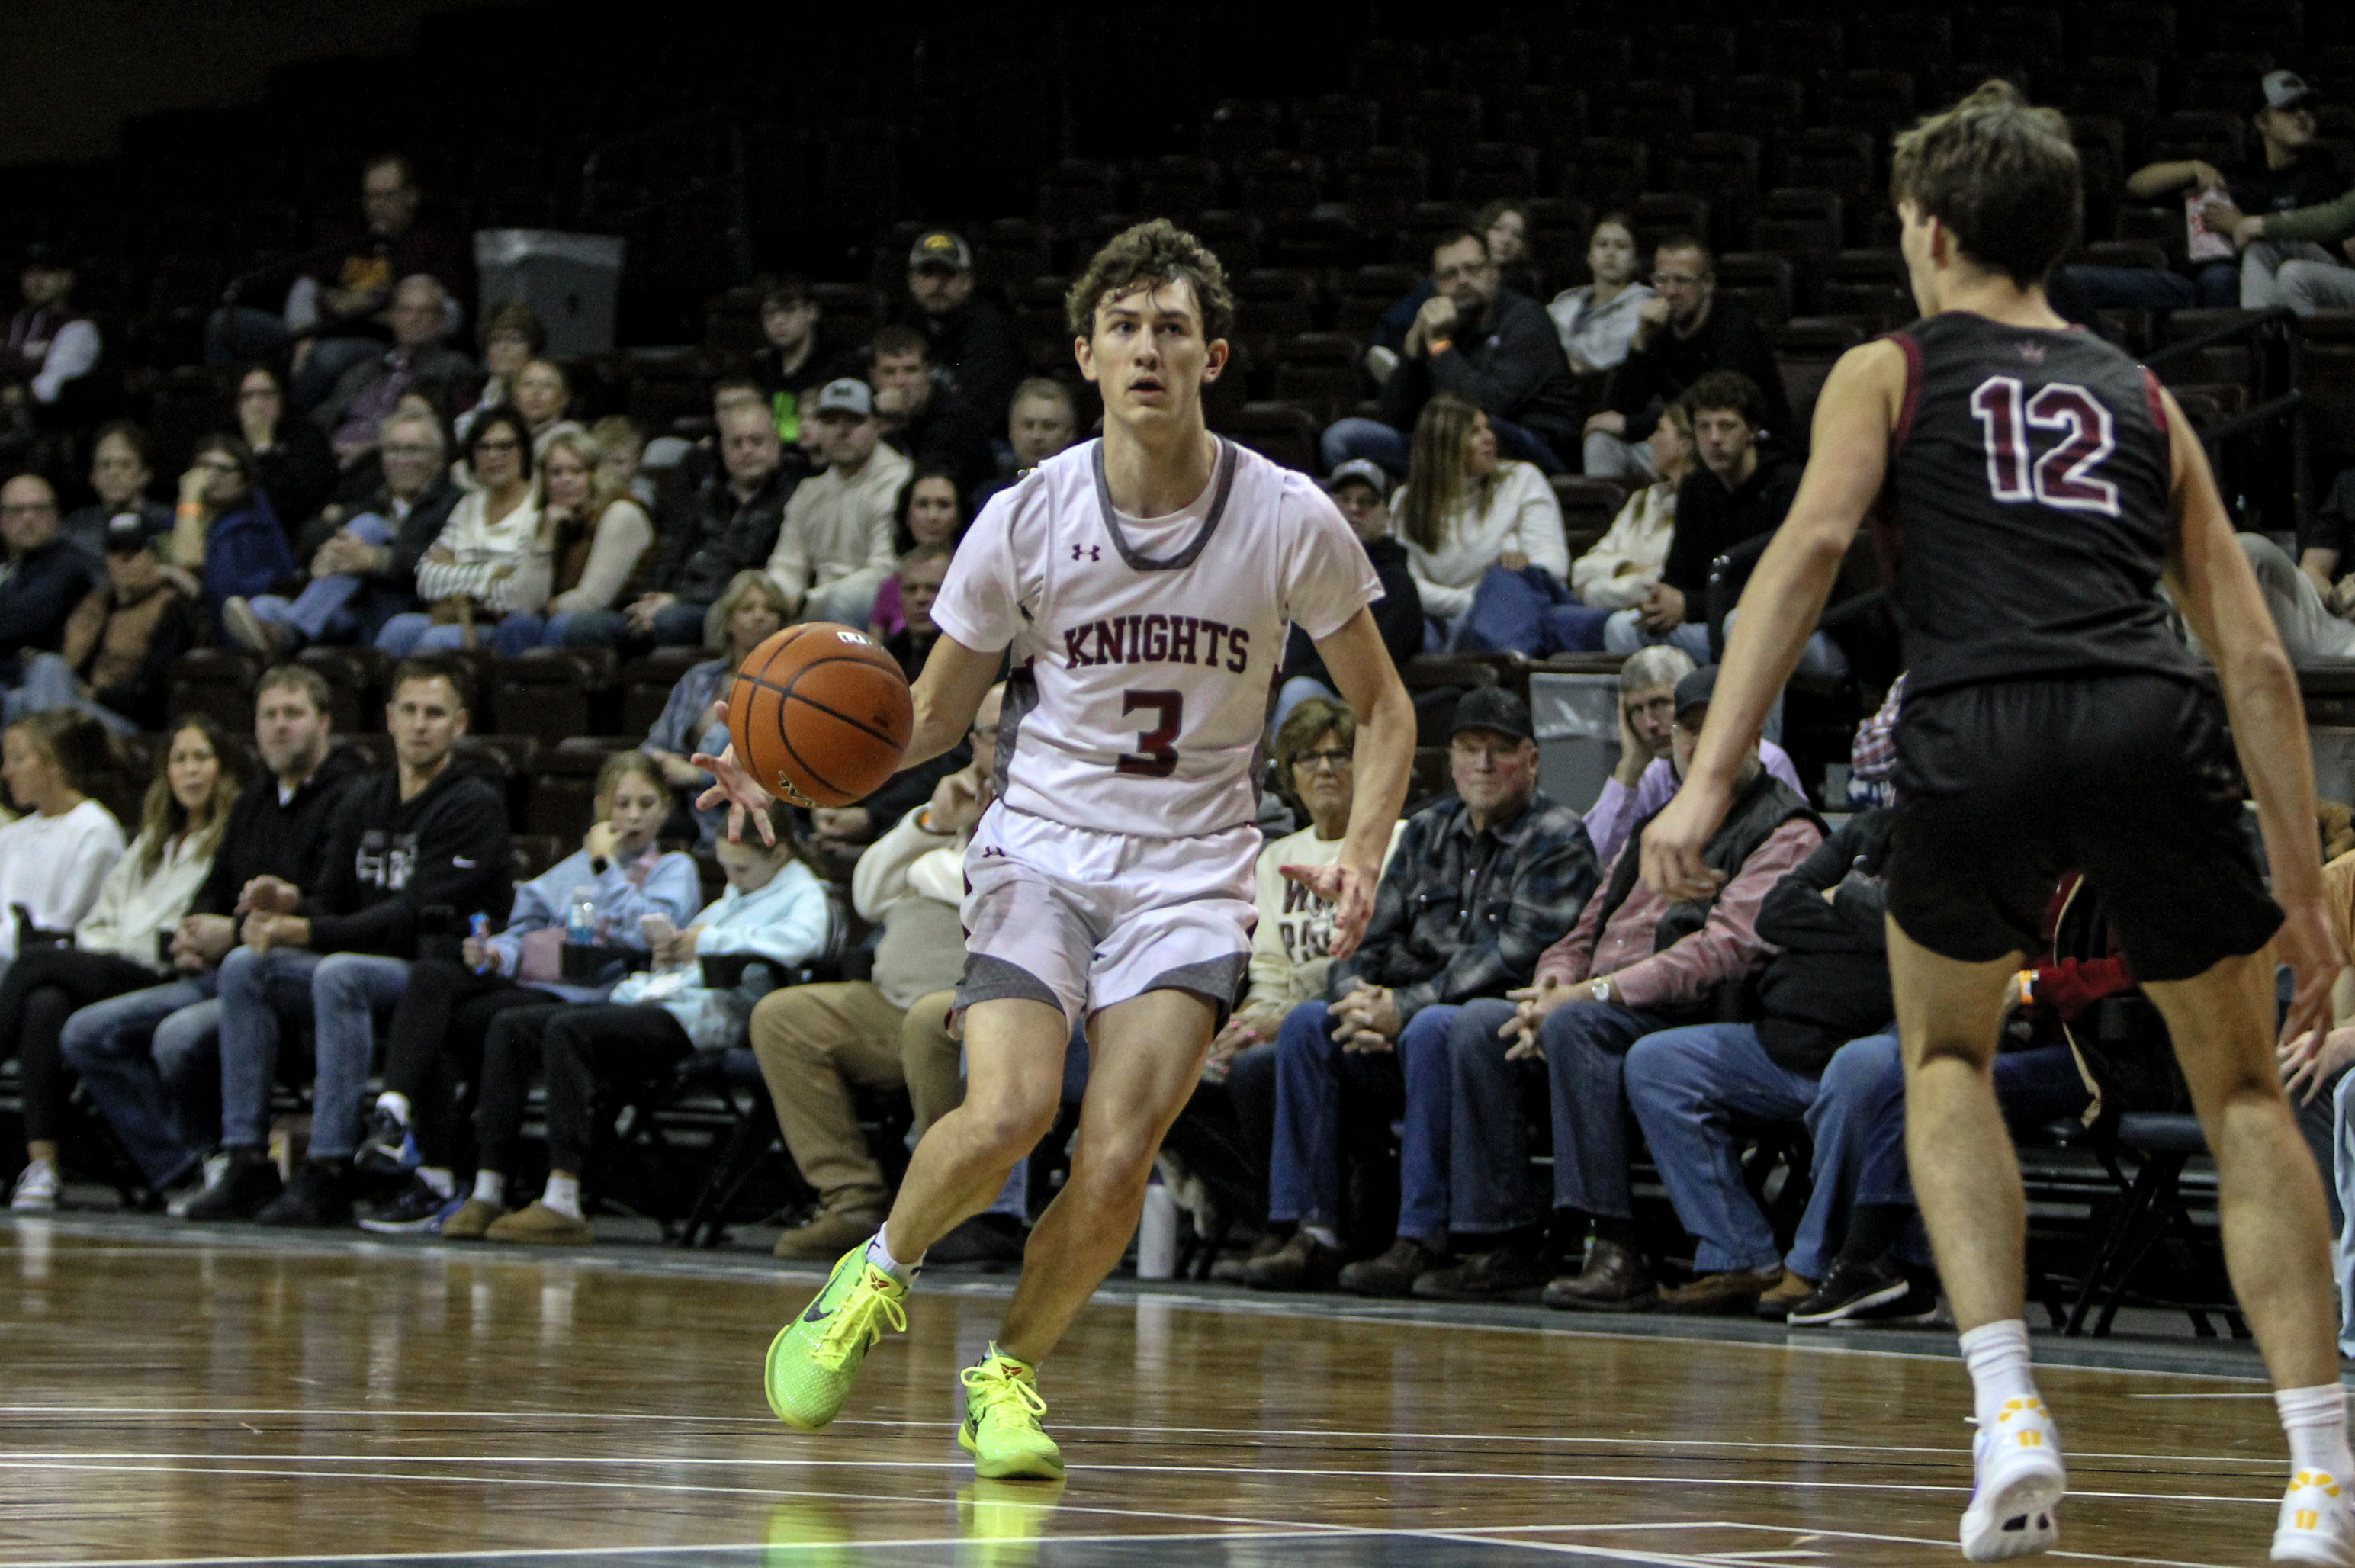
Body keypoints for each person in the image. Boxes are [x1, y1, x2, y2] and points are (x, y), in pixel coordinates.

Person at [1639, 82, 2355, 1562]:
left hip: (1973, 718)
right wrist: (2300, 879)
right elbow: (2255, 651)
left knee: (1946, 1054)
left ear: (1931, 229)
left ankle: (2006, 1413)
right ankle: (2317, 1481)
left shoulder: (1887, 371)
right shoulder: (2138, 391)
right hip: (2144, 716)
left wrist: (1709, 777)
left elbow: (1808, 548)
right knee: (2241, 1099)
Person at [710, 218, 1413, 1479]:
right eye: (1127, 328)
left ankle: (1006, 1373)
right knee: (1010, 1111)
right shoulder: (1024, 517)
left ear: (1214, 354)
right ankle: (875, 1277)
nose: (1150, 349)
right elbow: (926, 718)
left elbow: (1385, 708)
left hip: (1191, 872)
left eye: (1174, 329)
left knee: (1117, 1152)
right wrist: (776, 758)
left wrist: (1356, 850)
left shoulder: (1287, 517)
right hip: (1041, 846)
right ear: (1086, 354)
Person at [190, 657, 512, 1228]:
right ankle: (244, 1158)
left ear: (459, 725)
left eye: (434, 714)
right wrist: (289, 905)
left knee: (338, 972)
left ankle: (329, 1168)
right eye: (409, 711)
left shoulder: (473, 804)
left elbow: (410, 916)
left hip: (434, 973)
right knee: (245, 966)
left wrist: (308, 930)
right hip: (360, 960)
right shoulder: (365, 798)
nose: (419, 725)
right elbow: (334, 899)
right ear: (388, 719)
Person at [448, 804, 831, 1244]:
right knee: (511, 1026)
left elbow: (801, 944)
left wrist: (705, 943)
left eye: (740, 868)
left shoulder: (806, 895)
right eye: (726, 868)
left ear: (779, 855)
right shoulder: (738, 893)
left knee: (567, 1031)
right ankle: (488, 1188)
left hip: (706, 1021)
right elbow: (697, 939)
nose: (733, 878)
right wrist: (671, 949)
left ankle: (562, 1198)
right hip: (665, 1000)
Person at [1247, 693, 1526, 1296]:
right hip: (1382, 1014)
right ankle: (1310, 1230)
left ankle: (1417, 1236)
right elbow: (1368, 934)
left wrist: (1402, 1005)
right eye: (1469, 751)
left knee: (1430, 1029)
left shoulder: (1546, 835)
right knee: (1303, 1028)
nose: (1481, 765)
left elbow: (1506, 956)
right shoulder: (1430, 832)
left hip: (1460, 1026)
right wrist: (1352, 998)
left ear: (1531, 761)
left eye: (1499, 752)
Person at [358, 750, 702, 1234]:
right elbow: (524, 925)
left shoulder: (673, 869)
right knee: (433, 1002)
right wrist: (496, 953)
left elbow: (646, 932)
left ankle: (488, 1184)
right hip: (542, 982)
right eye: (622, 804)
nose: (633, 816)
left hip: (597, 997)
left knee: (506, 1026)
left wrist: (606, 867)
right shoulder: (572, 868)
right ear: (602, 808)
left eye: (646, 804)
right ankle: (422, 1153)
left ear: (665, 810)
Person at [65, 667, 365, 1207]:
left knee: (176, 1039)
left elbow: (333, 905)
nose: (280, 727)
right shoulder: (254, 801)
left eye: (293, 715)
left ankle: (233, 1162)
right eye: (269, 716)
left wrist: (235, 932)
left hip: (297, 979)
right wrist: (193, 931)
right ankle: (188, 1167)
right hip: (225, 971)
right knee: (86, 1033)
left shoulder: (352, 797)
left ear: (324, 722)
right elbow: (215, 888)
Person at [1614, 804, 1900, 1316]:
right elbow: (1777, 910)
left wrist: (1844, 897)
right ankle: (1741, 1256)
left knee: (1861, 1068)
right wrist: (1868, 920)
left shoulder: (1967, 843)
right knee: (1657, 1062)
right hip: (1779, 1041)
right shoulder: (1866, 828)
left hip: (1870, 1048)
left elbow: (1921, 935)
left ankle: (1813, 1267)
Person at [752, 686, 1005, 1260]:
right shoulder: (953, 807)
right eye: (993, 733)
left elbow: (989, 895)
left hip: (983, 1014)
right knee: (783, 1016)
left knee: (928, 1020)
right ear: (975, 743)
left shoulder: (1050, 810)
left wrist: (931, 872)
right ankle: (851, 1198)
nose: (1004, 743)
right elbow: (869, 894)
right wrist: (929, 825)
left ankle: (946, 1205)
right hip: (892, 1004)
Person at [3, 718, 238, 1211]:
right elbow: (99, 920)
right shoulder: (154, 840)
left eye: (201, 759)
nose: (190, 771)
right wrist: (112, 943)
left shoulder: (228, 839)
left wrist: (122, 943)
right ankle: (42, 1167)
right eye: (179, 760)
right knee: (45, 1004)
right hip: (111, 962)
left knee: (37, 963)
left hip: (163, 969)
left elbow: (180, 934)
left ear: (223, 768)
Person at [1602, 372, 1846, 691]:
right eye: (1704, 427)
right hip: (1718, 627)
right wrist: (1663, 602)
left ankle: (1753, 742)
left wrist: (1690, 606)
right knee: (1620, 628)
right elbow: (1680, 576)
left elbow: (1784, 590)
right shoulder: (1696, 488)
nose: (1714, 438)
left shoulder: (1788, 484)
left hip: (1805, 636)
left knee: (1743, 625)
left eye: (1726, 426)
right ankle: (1662, 734)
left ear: (1752, 430)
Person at [2057, 70, 2344, 320]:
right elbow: (2136, 186)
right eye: (2289, 108)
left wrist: (2240, 224)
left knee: (2220, 279)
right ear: (2261, 122)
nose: (2303, 115)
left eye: (2308, 107)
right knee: (2070, 281)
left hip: (2261, 294)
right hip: (2197, 286)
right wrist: (2190, 168)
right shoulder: (2237, 174)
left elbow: (2320, 258)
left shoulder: (2326, 177)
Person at [207, 154, 469, 409]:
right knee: (225, 324)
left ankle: (289, 429)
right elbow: (306, 288)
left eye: (387, 195)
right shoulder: (349, 234)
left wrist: (371, 311)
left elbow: (451, 316)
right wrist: (303, 339)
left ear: (411, 196)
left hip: (376, 345)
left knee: (327, 357)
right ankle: (229, 419)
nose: (377, 205)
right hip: (316, 333)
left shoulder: (432, 244)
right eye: (371, 196)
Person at [1325, 229, 1583, 476]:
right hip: (1450, 448)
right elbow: (1393, 418)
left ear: (1493, 271)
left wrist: (1439, 345)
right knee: (1342, 438)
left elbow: (1487, 407)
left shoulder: (1527, 319)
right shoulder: (1443, 323)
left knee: (1480, 430)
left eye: (1472, 269)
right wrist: (1413, 354)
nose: (1462, 280)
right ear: (1436, 284)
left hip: (1530, 446)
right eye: (1449, 274)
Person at [227, 409, 461, 655]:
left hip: (406, 610)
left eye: (414, 450)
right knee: (263, 608)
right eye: (393, 450)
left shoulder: (453, 505)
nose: (401, 459)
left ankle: (293, 631)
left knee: (369, 526)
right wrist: (324, 555)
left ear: (438, 459)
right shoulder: (373, 500)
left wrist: (376, 559)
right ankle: (286, 666)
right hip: (352, 612)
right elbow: (312, 532)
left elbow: (438, 566)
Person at [572, 402, 794, 649]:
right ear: (722, 449)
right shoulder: (707, 494)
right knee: (582, 627)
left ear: (776, 445)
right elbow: (673, 553)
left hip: (721, 606)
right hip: (674, 602)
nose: (747, 450)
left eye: (756, 441)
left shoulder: (791, 499)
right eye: (736, 443)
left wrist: (676, 600)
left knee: (668, 623)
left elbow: (753, 575)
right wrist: (650, 598)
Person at [1586, 237, 1791, 483]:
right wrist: (1640, 340)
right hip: (1682, 440)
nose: (1670, 292)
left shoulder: (1736, 328)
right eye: (1661, 280)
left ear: (1708, 283)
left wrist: (1631, 425)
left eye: (1681, 281)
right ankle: (1619, 521)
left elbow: (1711, 405)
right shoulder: (1658, 330)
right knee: (1602, 441)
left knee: (1701, 442)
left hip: (1739, 447)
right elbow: (1619, 408)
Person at [1582, 647, 1806, 872]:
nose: (1650, 723)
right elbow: (1593, 861)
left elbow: (1792, 855)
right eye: (1637, 710)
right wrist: (1629, 767)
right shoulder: (1652, 775)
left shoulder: (1765, 759)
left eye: (1659, 703)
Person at [1388, 395, 1569, 650]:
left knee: (1474, 628)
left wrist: (1513, 580)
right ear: (1444, 444)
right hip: (1439, 618)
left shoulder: (1522, 480)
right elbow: (1407, 583)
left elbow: (1553, 563)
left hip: (1509, 614)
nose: (1489, 438)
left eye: (1487, 428)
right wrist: (1474, 600)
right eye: (1475, 432)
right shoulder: (1406, 501)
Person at [375, 407, 545, 657]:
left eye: (504, 446)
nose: (493, 455)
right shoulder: (468, 505)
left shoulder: (539, 508)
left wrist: (456, 572)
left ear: (523, 451)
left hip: (501, 623)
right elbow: (426, 577)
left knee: (437, 640)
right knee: (398, 629)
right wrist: (493, 572)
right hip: (457, 618)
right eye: (483, 447)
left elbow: (515, 592)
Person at [8, 512, 196, 735]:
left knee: (46, 683)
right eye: (116, 551)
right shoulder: (96, 601)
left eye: (134, 551)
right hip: (76, 703)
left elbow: (153, 695)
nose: (123, 560)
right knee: (18, 695)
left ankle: (51, 760)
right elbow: (65, 663)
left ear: (154, 556)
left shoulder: (171, 608)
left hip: (127, 720)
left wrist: (95, 695)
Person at [643, 570, 792, 848]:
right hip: (682, 802)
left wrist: (697, 776)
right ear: (729, 622)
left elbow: (780, 772)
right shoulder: (700, 678)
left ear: (782, 622)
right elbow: (655, 744)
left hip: (741, 809)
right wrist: (663, 761)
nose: (759, 616)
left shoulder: (792, 689)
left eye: (770, 609)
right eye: (747, 609)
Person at [1273, 461, 1422, 733]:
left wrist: (1288, 681)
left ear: (1386, 516)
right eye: (1343, 500)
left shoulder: (1397, 586)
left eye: (1367, 502)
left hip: (1355, 708)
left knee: (1299, 691)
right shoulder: (1301, 569)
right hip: (1290, 692)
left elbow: (1372, 673)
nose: (1354, 509)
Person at [767, 378, 910, 628]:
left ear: (877, 426)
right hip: (818, 602)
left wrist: (811, 599)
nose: (842, 431)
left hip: (873, 601)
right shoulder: (809, 491)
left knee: (842, 601)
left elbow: (885, 569)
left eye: (854, 421)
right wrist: (775, 599)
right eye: (830, 422)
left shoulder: (898, 481)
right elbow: (787, 563)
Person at [0, 709, 125, 981]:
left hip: (51, 965)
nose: (6, 772)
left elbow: (65, 924)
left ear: (53, 763)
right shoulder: (10, 837)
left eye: (18, 759)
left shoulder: (95, 830)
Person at [514, 427, 655, 651]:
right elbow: (524, 603)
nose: (566, 480)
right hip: (564, 614)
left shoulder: (620, 514)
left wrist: (546, 608)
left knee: (561, 626)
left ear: (594, 475)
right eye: (556, 473)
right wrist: (546, 538)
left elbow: (593, 601)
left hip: (623, 617)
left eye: (576, 472)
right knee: (518, 625)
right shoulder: (549, 519)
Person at [312, 275, 472, 468]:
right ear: (392, 316)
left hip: (391, 463)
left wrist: (374, 449)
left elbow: (448, 432)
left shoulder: (453, 367)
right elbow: (327, 414)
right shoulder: (365, 369)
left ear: (441, 320)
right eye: (406, 310)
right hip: (331, 459)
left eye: (425, 312)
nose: (414, 319)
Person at [1569, 403, 1693, 618]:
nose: (1651, 440)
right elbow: (1582, 569)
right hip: (1612, 607)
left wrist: (1593, 591)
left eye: (1660, 431)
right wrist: (1627, 568)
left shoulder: (1696, 505)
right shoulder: (1641, 500)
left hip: (1647, 614)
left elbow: (1655, 587)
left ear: (1684, 444)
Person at [170, 435, 297, 646]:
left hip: (244, 627)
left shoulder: (250, 524)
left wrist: (190, 498)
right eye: (203, 467)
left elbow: (188, 562)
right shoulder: (181, 520)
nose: (211, 476)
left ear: (243, 480)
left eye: (223, 469)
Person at [901, 230, 1028, 432]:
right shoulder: (905, 327)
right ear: (912, 282)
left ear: (967, 282)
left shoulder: (990, 331)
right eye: (928, 273)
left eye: (948, 274)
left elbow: (975, 414)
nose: (937, 283)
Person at [870, 325, 996, 490]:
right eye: (889, 372)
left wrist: (892, 429)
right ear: (873, 377)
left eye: (910, 370)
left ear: (928, 372)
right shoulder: (866, 415)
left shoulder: (955, 418)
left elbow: (923, 483)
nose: (900, 381)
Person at [0, 474, 100, 676]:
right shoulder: (7, 563)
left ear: (56, 516)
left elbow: (21, 620)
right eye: (17, 511)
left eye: (39, 510)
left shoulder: (69, 565)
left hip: (46, 684)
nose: (28, 518)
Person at [750, 278, 861, 445]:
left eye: (789, 310)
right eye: (770, 313)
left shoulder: (841, 363)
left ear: (812, 312)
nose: (778, 321)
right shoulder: (760, 367)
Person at [1, 244, 99, 421]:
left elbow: (55, 387)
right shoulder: (10, 323)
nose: (36, 281)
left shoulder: (77, 327)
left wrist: (13, 395)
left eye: (47, 272)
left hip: (43, 424)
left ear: (66, 278)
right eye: (30, 273)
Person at [1548, 214, 1654, 375]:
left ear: (1635, 261)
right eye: (1602, 245)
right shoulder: (1566, 302)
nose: (1610, 253)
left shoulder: (1643, 306)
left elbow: (1603, 359)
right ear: (1590, 257)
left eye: (1621, 246)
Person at [235, 365, 337, 530]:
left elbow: (290, 503)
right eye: (248, 396)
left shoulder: (306, 436)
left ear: (281, 399)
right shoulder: (228, 439)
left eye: (266, 395)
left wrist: (264, 449)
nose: (257, 405)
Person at [870, 468, 966, 641]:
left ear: (959, 515)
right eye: (922, 505)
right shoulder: (890, 586)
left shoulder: (974, 580)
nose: (932, 516)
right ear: (907, 515)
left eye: (943, 505)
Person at [59, 422, 171, 565]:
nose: (114, 473)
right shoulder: (73, 530)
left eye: (125, 465)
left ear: (145, 474)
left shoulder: (167, 524)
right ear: (94, 476)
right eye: (106, 465)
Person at [973, 378, 1081, 512]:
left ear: (1069, 433)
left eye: (1048, 426)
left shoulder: (1084, 495)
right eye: (1028, 425)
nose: (1037, 436)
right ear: (1011, 430)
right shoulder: (988, 497)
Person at [455, 300, 545, 442]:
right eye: (495, 340)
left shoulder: (543, 392)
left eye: (515, 339)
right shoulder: (470, 394)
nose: (503, 348)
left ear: (532, 347)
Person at [881, 545, 952, 679]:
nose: (920, 598)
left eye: (933, 588)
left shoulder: (971, 654)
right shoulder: (889, 653)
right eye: (911, 589)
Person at [510, 358, 586, 458]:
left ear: (564, 398)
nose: (536, 392)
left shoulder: (571, 437)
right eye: (528, 384)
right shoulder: (508, 439)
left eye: (547, 385)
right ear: (514, 397)